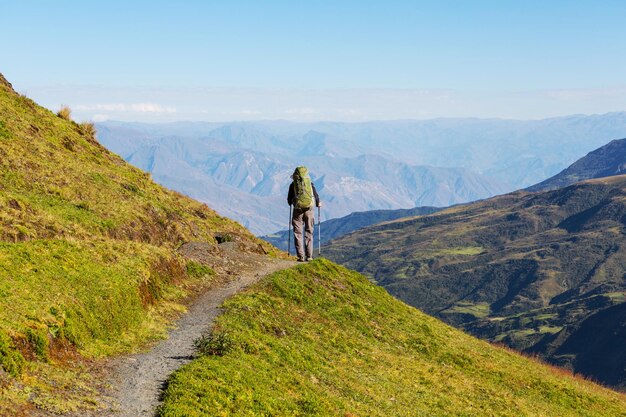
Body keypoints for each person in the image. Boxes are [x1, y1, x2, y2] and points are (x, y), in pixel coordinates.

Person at [287, 166, 321, 262]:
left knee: (298, 233)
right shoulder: (309, 184)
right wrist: (318, 203)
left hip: (298, 210)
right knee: (309, 232)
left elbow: (289, 201)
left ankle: (300, 256)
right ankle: (309, 256)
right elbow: (316, 197)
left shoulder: (293, 185)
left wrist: (293, 201)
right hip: (309, 210)